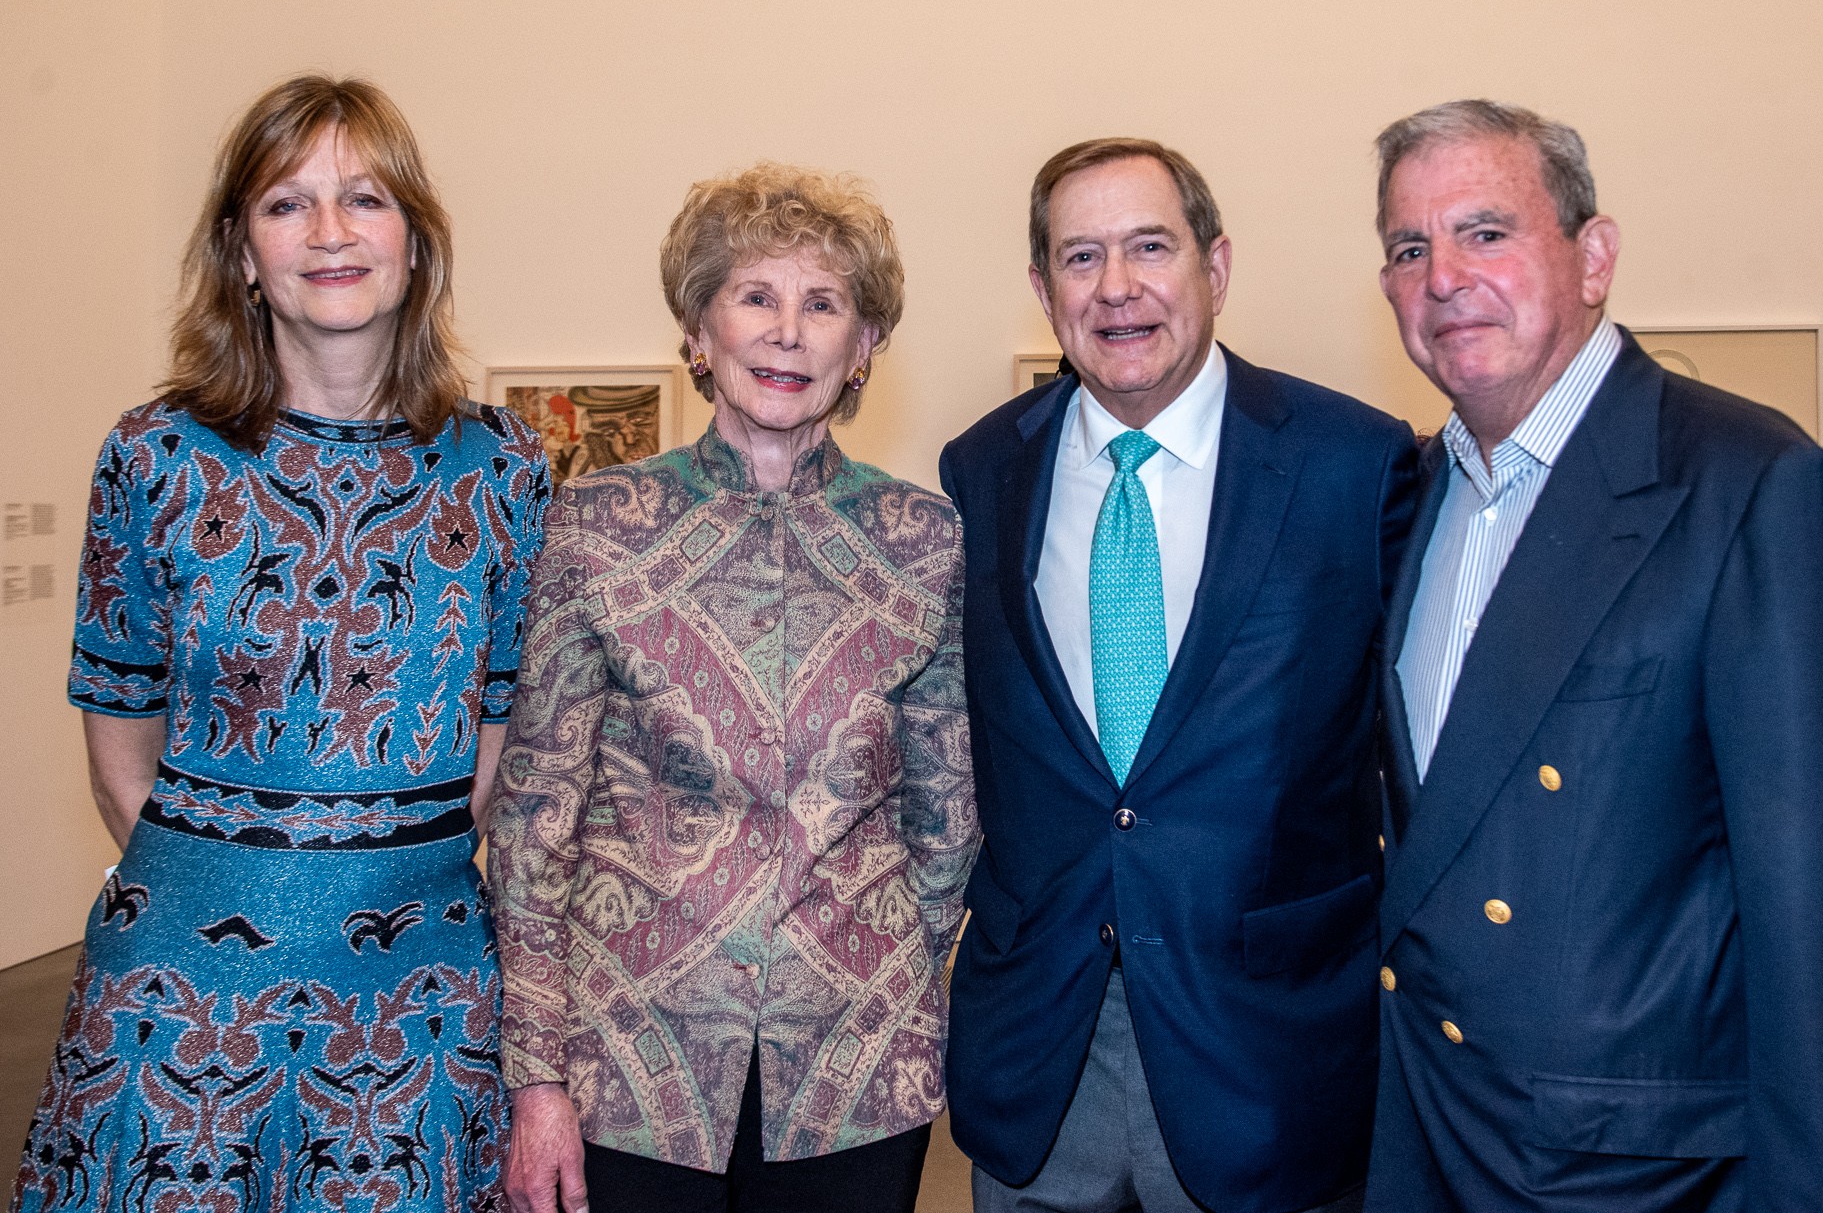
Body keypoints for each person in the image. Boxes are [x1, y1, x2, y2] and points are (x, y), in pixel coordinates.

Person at [1365, 99, 1823, 1211]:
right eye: (1406, 247)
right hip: (1431, 1134)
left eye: (1484, 231)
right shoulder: (1409, 499)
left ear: (1592, 256)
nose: (1441, 275)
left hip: (1639, 1168)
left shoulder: (1747, 487)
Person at [12, 75, 549, 1213]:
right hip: (179, 1000)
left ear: (416, 243)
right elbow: (119, 748)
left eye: (364, 198)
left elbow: (496, 735)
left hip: (422, 995)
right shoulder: (152, 456)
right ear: (242, 254)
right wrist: (238, 900)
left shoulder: (506, 468)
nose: (330, 232)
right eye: (286, 204)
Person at [939, 139, 1418, 1213]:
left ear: (1216, 264)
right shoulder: (979, 471)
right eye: (1080, 257)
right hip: (1038, 1059)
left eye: (1149, 247)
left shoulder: (1352, 463)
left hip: (1266, 1059)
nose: (1116, 288)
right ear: (1040, 287)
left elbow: (1408, 760)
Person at [488, 164, 974, 1213]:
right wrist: (534, 1076)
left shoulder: (924, 541)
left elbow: (950, 815)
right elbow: (533, 823)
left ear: (865, 346)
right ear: (698, 330)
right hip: (623, 1058)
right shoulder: (597, 524)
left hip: (855, 1069)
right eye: (755, 295)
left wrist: (882, 975)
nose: (786, 332)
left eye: (824, 303)